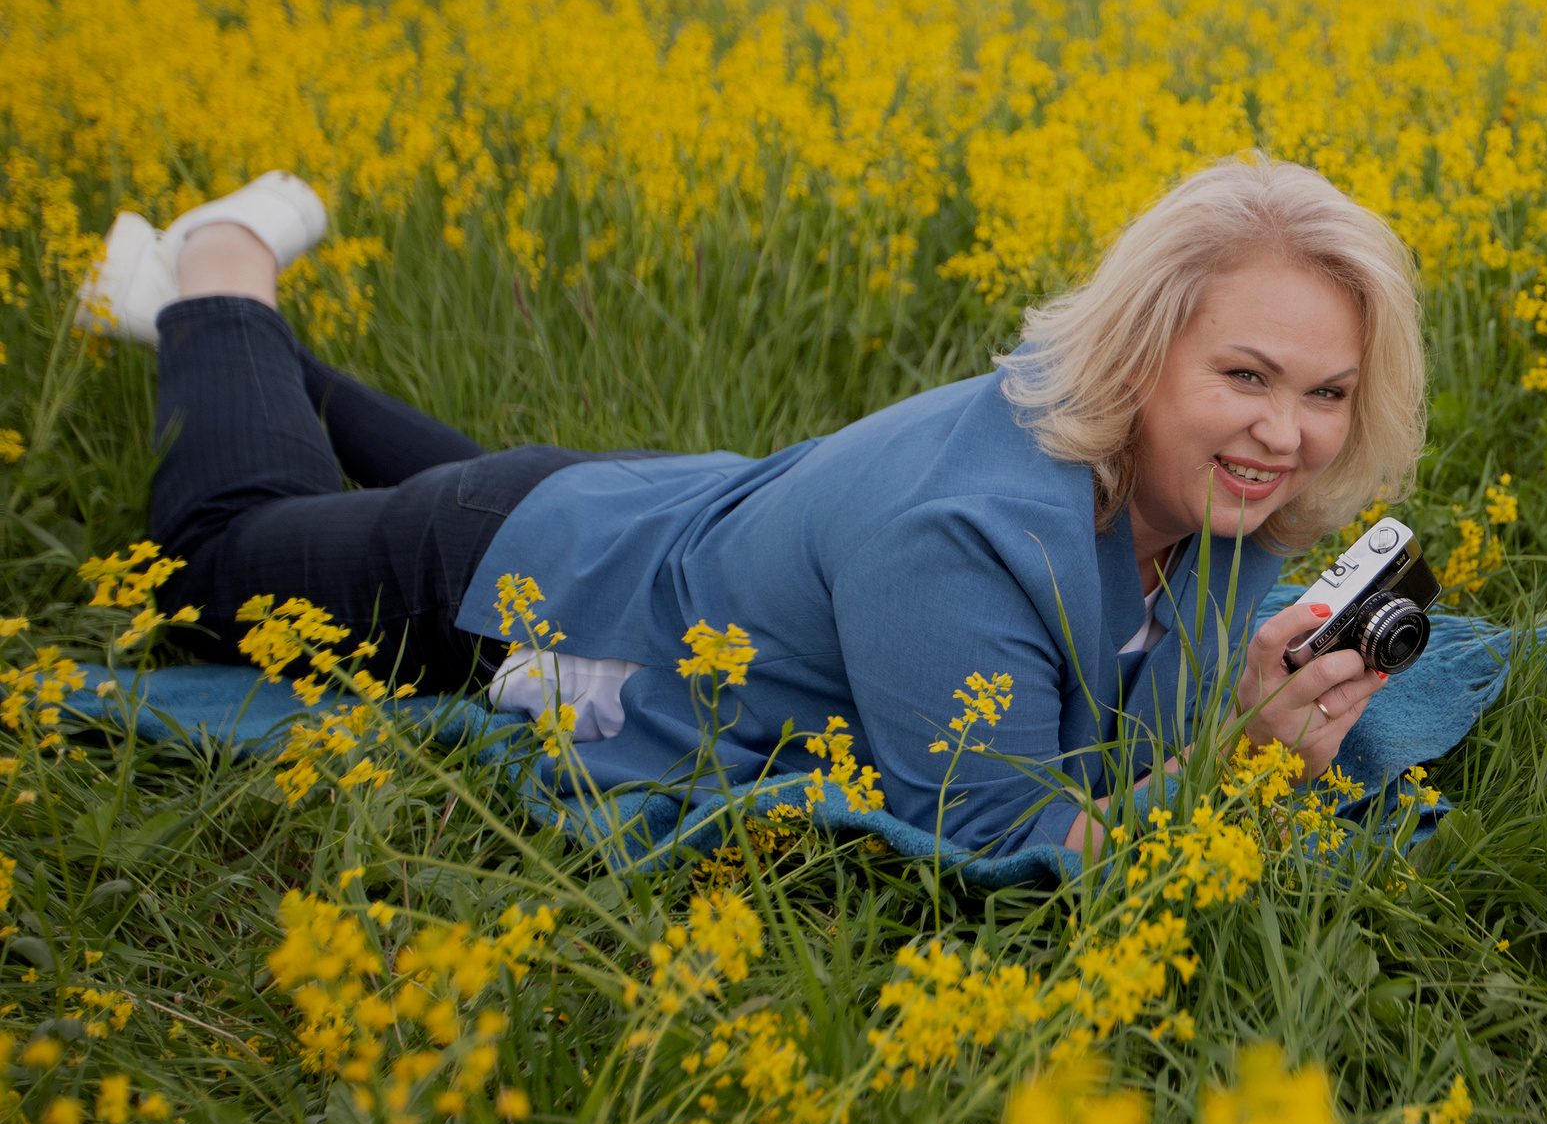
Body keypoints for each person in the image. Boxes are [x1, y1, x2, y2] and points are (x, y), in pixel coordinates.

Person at [77, 158, 1426, 858]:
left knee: (457, 468)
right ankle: (221, 262)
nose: (1286, 435)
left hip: (645, 510)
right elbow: (1011, 853)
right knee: (218, 550)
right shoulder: (961, 544)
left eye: (1325, 393)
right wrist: (1241, 765)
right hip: (511, 573)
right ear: (1141, 352)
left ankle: (245, 346)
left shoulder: (1222, 499)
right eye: (1243, 375)